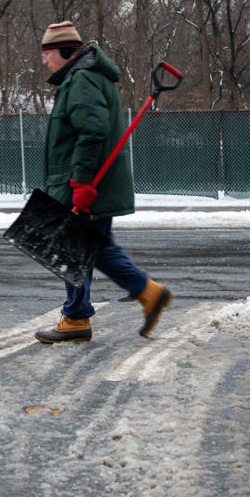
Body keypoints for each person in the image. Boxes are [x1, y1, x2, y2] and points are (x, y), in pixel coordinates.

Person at [34, 21, 172, 344]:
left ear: (66, 51)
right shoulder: (82, 77)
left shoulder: (83, 80)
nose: (45, 61)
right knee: (80, 248)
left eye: (49, 53)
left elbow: (92, 131)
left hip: (87, 184)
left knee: (88, 247)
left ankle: (146, 293)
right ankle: (77, 315)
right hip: (84, 182)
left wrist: (81, 183)